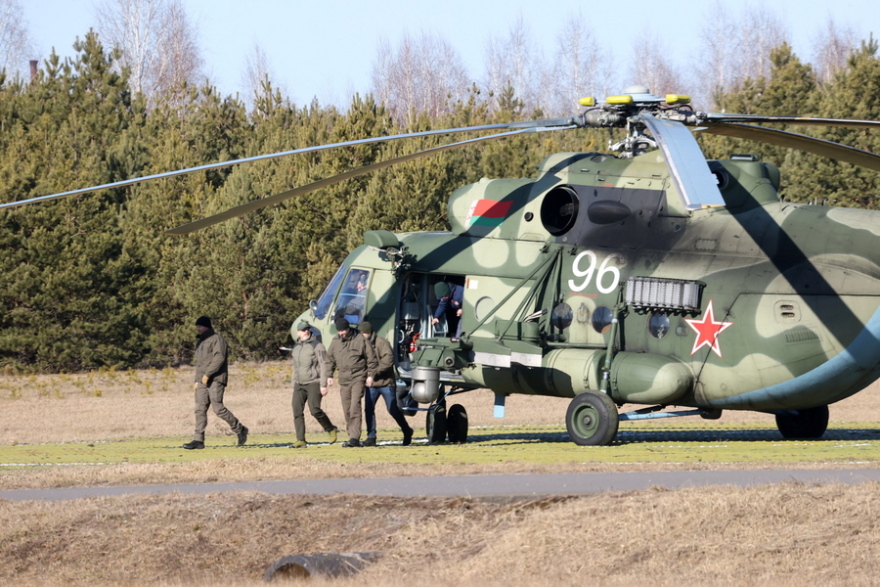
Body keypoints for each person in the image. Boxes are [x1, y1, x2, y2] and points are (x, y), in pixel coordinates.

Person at [183, 316, 248, 449]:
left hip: (216, 379)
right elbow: (200, 364)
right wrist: (197, 380)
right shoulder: (200, 343)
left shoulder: (217, 340)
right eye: (197, 326)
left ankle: (240, 429)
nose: (198, 328)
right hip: (202, 381)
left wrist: (208, 374)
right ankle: (198, 440)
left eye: (200, 326)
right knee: (200, 409)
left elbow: (219, 359)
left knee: (218, 409)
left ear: (207, 326)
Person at [360, 321, 413, 446]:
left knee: (392, 409)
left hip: (385, 382)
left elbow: (388, 361)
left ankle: (407, 430)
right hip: (371, 384)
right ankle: (371, 437)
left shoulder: (382, 343)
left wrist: (373, 374)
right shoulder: (361, 344)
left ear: (367, 333)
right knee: (368, 409)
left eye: (362, 333)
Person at [326, 316, 377, 447]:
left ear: (348, 328)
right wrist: (329, 375)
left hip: (358, 376)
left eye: (343, 331)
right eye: (339, 331)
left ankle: (354, 438)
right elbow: (330, 359)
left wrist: (370, 375)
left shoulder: (360, 339)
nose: (341, 333)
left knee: (355, 406)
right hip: (343, 379)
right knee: (347, 409)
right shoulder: (335, 341)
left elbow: (371, 359)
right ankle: (351, 435)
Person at [289, 321, 339, 448]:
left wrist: (323, 384)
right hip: (299, 384)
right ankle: (300, 439)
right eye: (303, 330)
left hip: (313, 383)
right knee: (297, 411)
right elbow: (295, 366)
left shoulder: (317, 346)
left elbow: (324, 365)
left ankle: (330, 429)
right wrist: (294, 382)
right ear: (298, 332)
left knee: (315, 410)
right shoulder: (296, 347)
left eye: (307, 329)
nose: (305, 331)